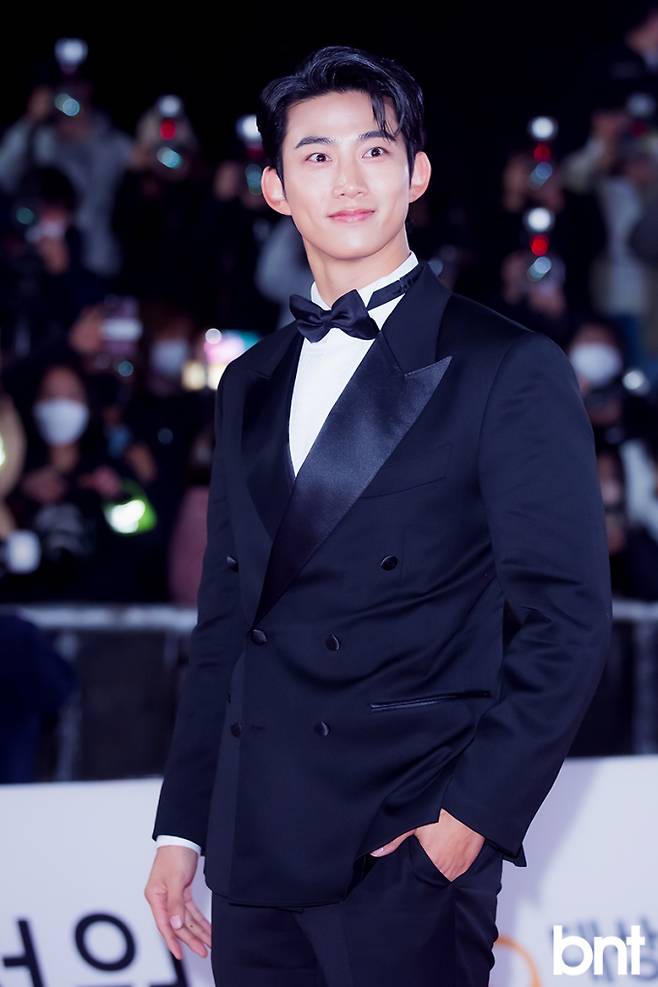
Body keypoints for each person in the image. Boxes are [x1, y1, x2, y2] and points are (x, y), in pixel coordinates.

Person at [145, 45, 612, 986]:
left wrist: (466, 823)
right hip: (252, 848)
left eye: (375, 150)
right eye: (316, 156)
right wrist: (182, 827)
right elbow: (228, 621)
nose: (348, 179)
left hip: (402, 846)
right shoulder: (248, 382)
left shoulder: (504, 365)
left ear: (417, 173)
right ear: (276, 188)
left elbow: (567, 619)